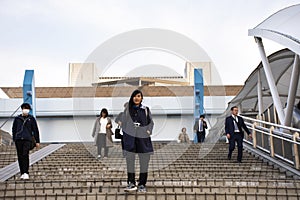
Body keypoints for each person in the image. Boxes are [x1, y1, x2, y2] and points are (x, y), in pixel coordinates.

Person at [121, 89, 154, 193]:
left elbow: (151, 122)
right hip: (130, 139)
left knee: (144, 162)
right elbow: (123, 123)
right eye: (135, 96)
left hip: (143, 139)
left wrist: (148, 130)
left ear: (141, 98)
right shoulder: (127, 110)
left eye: (139, 96)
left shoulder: (146, 110)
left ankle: (142, 184)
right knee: (130, 161)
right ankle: (131, 182)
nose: (136, 98)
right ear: (132, 97)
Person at [12, 102, 40, 180]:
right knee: (20, 156)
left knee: (25, 154)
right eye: (25, 108)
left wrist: (37, 141)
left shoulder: (31, 119)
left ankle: (26, 172)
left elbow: (35, 130)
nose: (26, 110)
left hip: (27, 139)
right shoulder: (17, 119)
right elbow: (14, 129)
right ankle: (22, 172)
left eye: (27, 109)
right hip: (18, 140)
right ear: (22, 109)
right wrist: (14, 138)